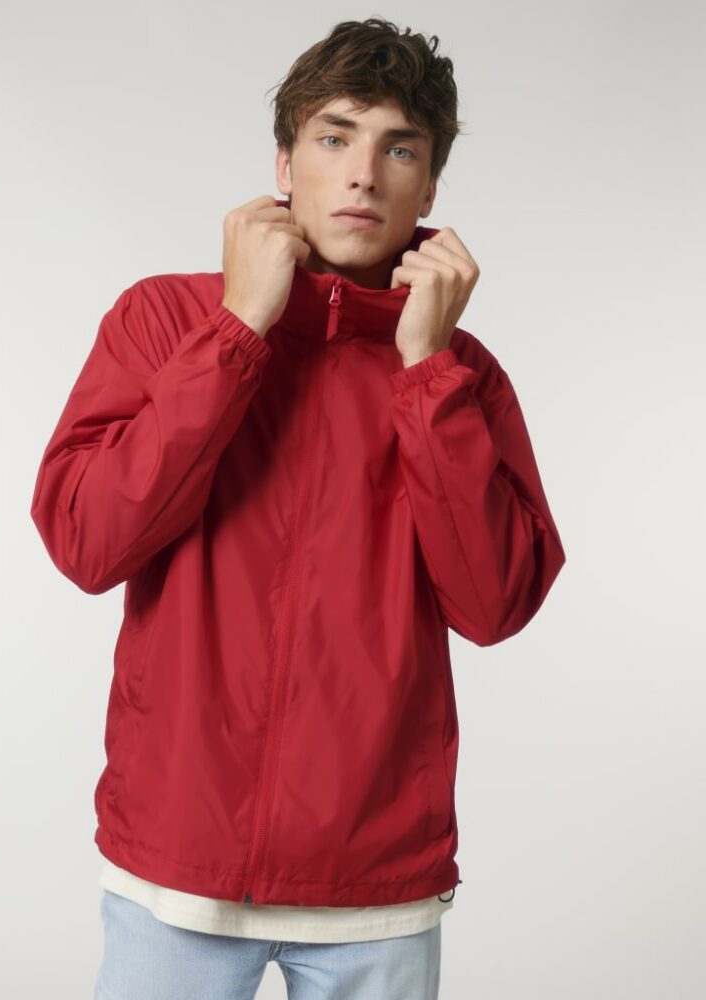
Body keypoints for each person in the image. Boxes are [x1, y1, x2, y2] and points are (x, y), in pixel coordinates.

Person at [29, 16, 566, 1000]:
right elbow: (88, 541)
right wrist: (237, 330)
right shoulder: (165, 320)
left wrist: (424, 372)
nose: (362, 175)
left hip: (376, 887)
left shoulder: (461, 376)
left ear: (429, 190)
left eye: (398, 148)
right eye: (333, 137)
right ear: (284, 163)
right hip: (176, 875)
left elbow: (493, 605)